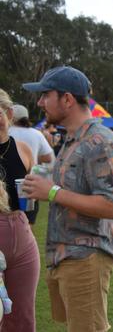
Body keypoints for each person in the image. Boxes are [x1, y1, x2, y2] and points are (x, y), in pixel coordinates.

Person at [21, 66, 113, 332]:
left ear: (67, 99)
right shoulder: (71, 141)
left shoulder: (100, 140)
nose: (40, 102)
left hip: (86, 258)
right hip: (64, 256)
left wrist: (53, 192)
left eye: (46, 95)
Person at [0, 90, 39, 332]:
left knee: (22, 317)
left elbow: (31, 193)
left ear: (9, 114)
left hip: (22, 237)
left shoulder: (23, 149)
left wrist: (29, 222)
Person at [9, 103, 55, 226]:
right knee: (27, 228)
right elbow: (48, 157)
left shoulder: (5, 132)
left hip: (6, 184)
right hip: (29, 185)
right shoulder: (36, 134)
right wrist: (33, 156)